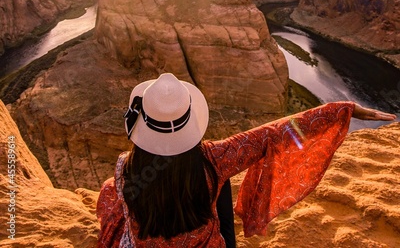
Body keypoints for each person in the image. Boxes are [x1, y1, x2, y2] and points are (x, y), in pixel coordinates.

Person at [96, 73, 397, 247]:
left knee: (112, 191)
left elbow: (118, 198)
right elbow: (273, 134)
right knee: (219, 178)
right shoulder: (214, 158)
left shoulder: (126, 167)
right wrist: (340, 110)